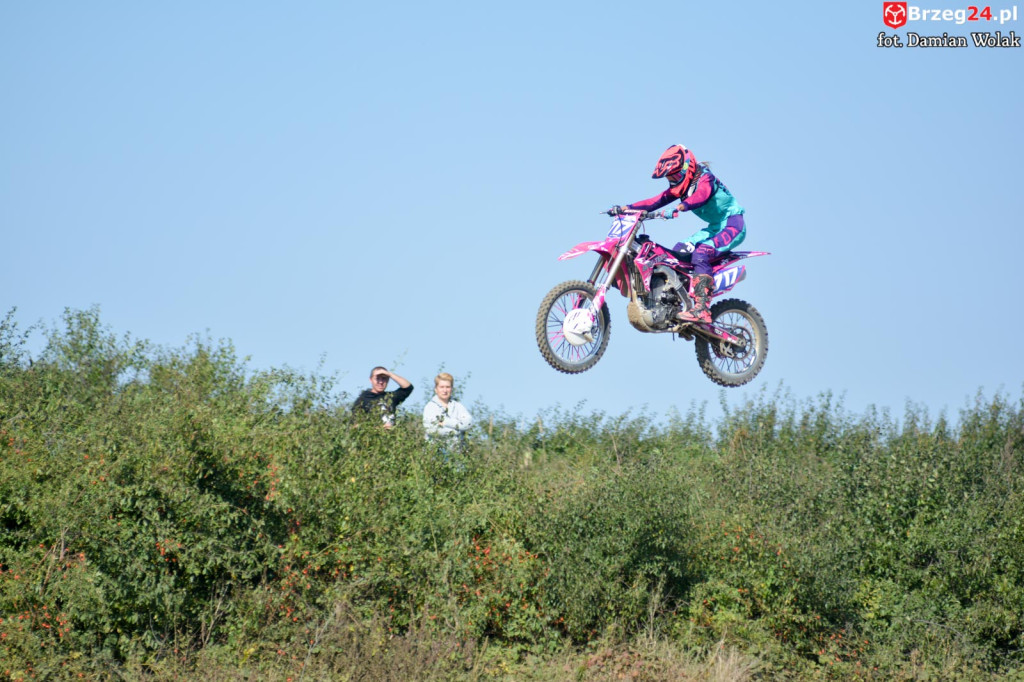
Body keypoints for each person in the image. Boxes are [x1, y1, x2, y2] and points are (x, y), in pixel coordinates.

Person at [611, 144, 746, 324]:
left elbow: (702, 195)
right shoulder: (682, 187)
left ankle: (702, 309)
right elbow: (655, 201)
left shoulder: (705, 178)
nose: (672, 180)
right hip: (714, 227)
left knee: (701, 253)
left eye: (674, 175)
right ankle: (679, 304)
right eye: (669, 177)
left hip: (732, 224)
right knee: (676, 254)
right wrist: (627, 208)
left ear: (687, 168)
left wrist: (684, 205)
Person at [422, 372, 472, 444]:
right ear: (436, 389)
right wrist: (457, 430)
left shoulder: (458, 406)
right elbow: (431, 429)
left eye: (447, 387)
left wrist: (445, 422)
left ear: (451, 389)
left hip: (456, 452)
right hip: (435, 451)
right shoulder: (430, 407)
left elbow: (468, 423)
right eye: (442, 387)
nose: (445, 390)